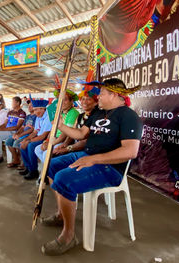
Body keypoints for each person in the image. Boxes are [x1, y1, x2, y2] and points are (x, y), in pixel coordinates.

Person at [40, 78, 143, 256]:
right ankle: (61, 213)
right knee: (52, 165)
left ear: (114, 94)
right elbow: (81, 134)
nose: (98, 96)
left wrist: (95, 159)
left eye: (101, 93)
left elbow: (130, 151)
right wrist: (61, 126)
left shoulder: (128, 116)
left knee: (64, 179)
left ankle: (68, 235)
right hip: (89, 155)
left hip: (110, 167)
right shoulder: (98, 113)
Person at [53, 86, 100, 156]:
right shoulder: (80, 116)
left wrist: (67, 148)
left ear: (96, 102)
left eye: (89, 99)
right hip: (75, 147)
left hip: (84, 150)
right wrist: (65, 144)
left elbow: (84, 137)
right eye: (83, 99)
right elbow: (72, 133)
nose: (84, 102)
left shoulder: (96, 116)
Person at [34, 91, 79, 163]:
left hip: (63, 141)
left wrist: (52, 143)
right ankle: (49, 170)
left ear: (72, 101)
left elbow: (66, 133)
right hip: (55, 139)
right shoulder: (60, 113)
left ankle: (48, 171)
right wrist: (47, 141)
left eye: (65, 99)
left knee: (46, 153)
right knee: (37, 149)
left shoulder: (73, 113)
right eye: (60, 100)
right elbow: (53, 129)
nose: (62, 102)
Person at [0, 97, 26, 166]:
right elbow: (5, 124)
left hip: (14, 132)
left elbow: (17, 127)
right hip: (7, 131)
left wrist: (1, 129)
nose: (12, 104)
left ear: (18, 103)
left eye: (13, 102)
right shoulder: (10, 112)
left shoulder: (22, 113)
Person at [19, 98, 51, 180]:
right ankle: (28, 167)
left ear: (43, 109)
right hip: (38, 137)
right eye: (34, 110)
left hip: (45, 139)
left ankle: (33, 171)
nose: (35, 112)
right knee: (22, 143)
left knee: (30, 146)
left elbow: (44, 135)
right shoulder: (38, 117)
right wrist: (26, 139)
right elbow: (35, 131)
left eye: (36, 110)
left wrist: (29, 141)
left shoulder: (48, 117)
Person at [6, 100, 36, 168]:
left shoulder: (36, 117)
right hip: (22, 134)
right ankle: (16, 160)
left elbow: (32, 129)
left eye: (31, 106)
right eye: (29, 106)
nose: (29, 107)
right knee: (8, 141)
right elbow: (22, 127)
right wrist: (16, 133)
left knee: (17, 143)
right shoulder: (28, 116)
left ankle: (23, 162)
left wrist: (20, 135)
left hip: (29, 135)